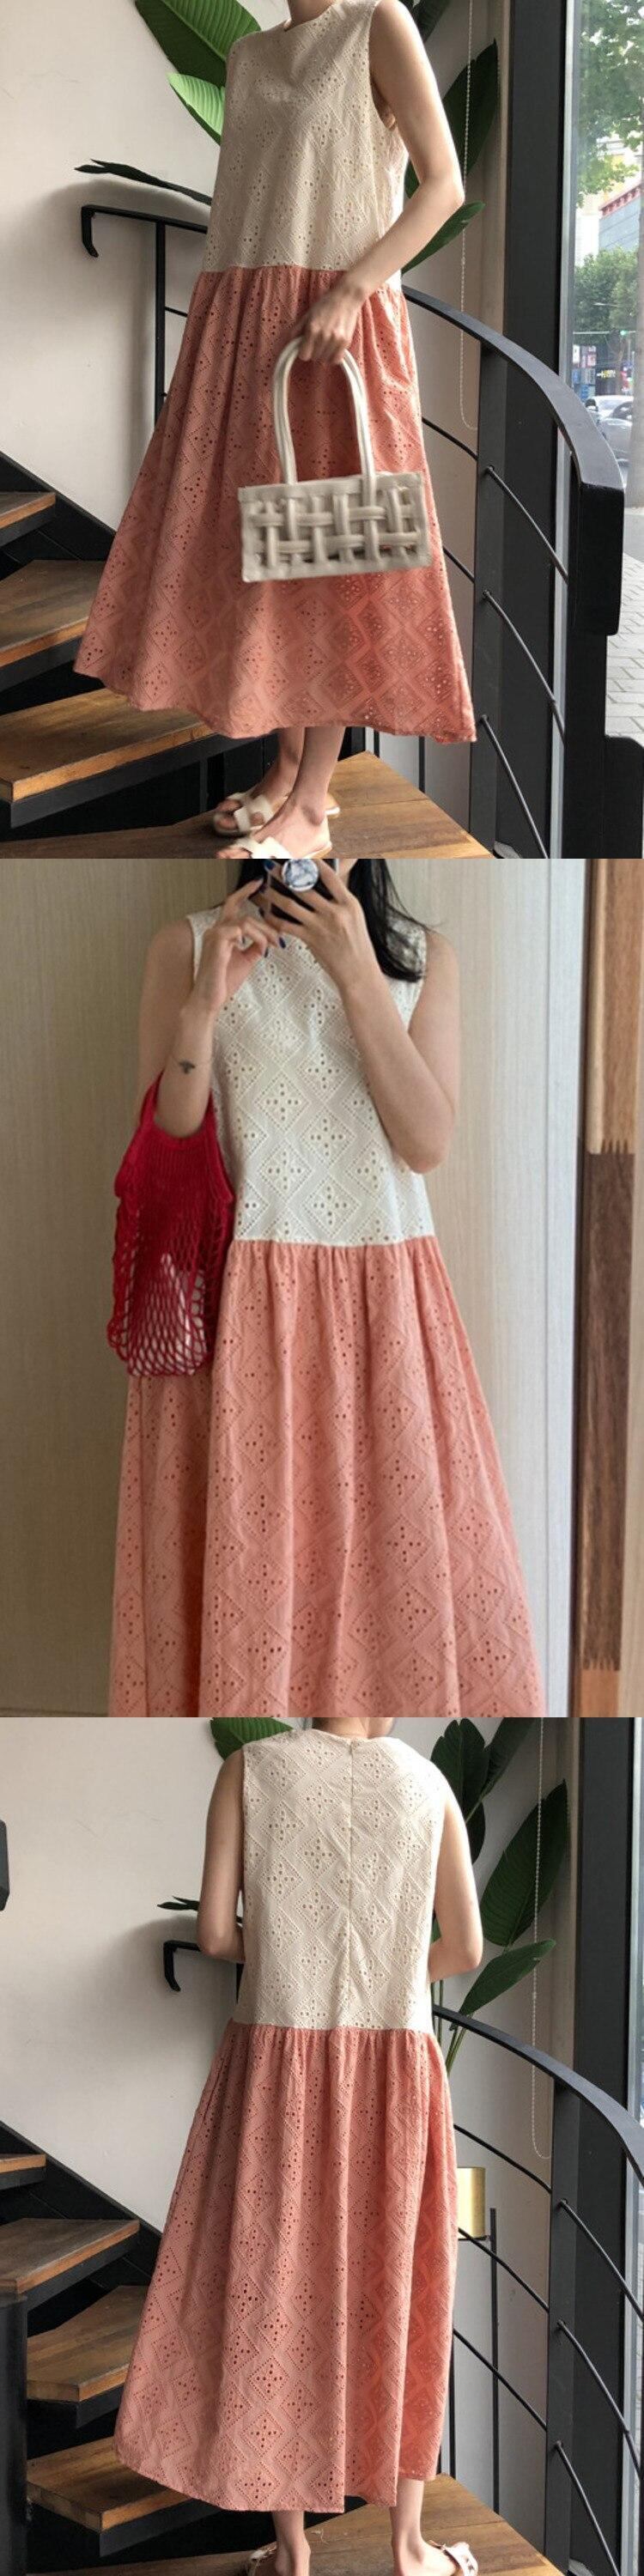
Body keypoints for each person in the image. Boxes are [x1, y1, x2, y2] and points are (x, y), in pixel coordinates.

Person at [108, 857, 544, 1721]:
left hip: (384, 1308)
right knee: (250, 1583)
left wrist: (357, 974)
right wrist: (205, 1003)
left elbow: (426, 1142)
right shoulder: (186, 946)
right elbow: (164, 1139)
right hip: (237, 1314)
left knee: (401, 1572)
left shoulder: (422, 958)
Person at [75, 0, 476, 864]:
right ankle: (286, 771)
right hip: (242, 327)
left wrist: (351, 291)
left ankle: (314, 800)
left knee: (331, 556)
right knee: (267, 551)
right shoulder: (250, 56)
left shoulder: (377, 23)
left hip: (336, 330)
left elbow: (444, 185)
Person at [113, 1715, 483, 2576]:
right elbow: (465, 1947)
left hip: (277, 2065)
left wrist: (295, 1959)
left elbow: (214, 1936)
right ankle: (409, 2547)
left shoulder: (250, 1769)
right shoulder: (428, 1784)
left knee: (276, 2284)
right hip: (396, 2068)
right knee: (404, 2286)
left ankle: (292, 2549)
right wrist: (385, 1972)